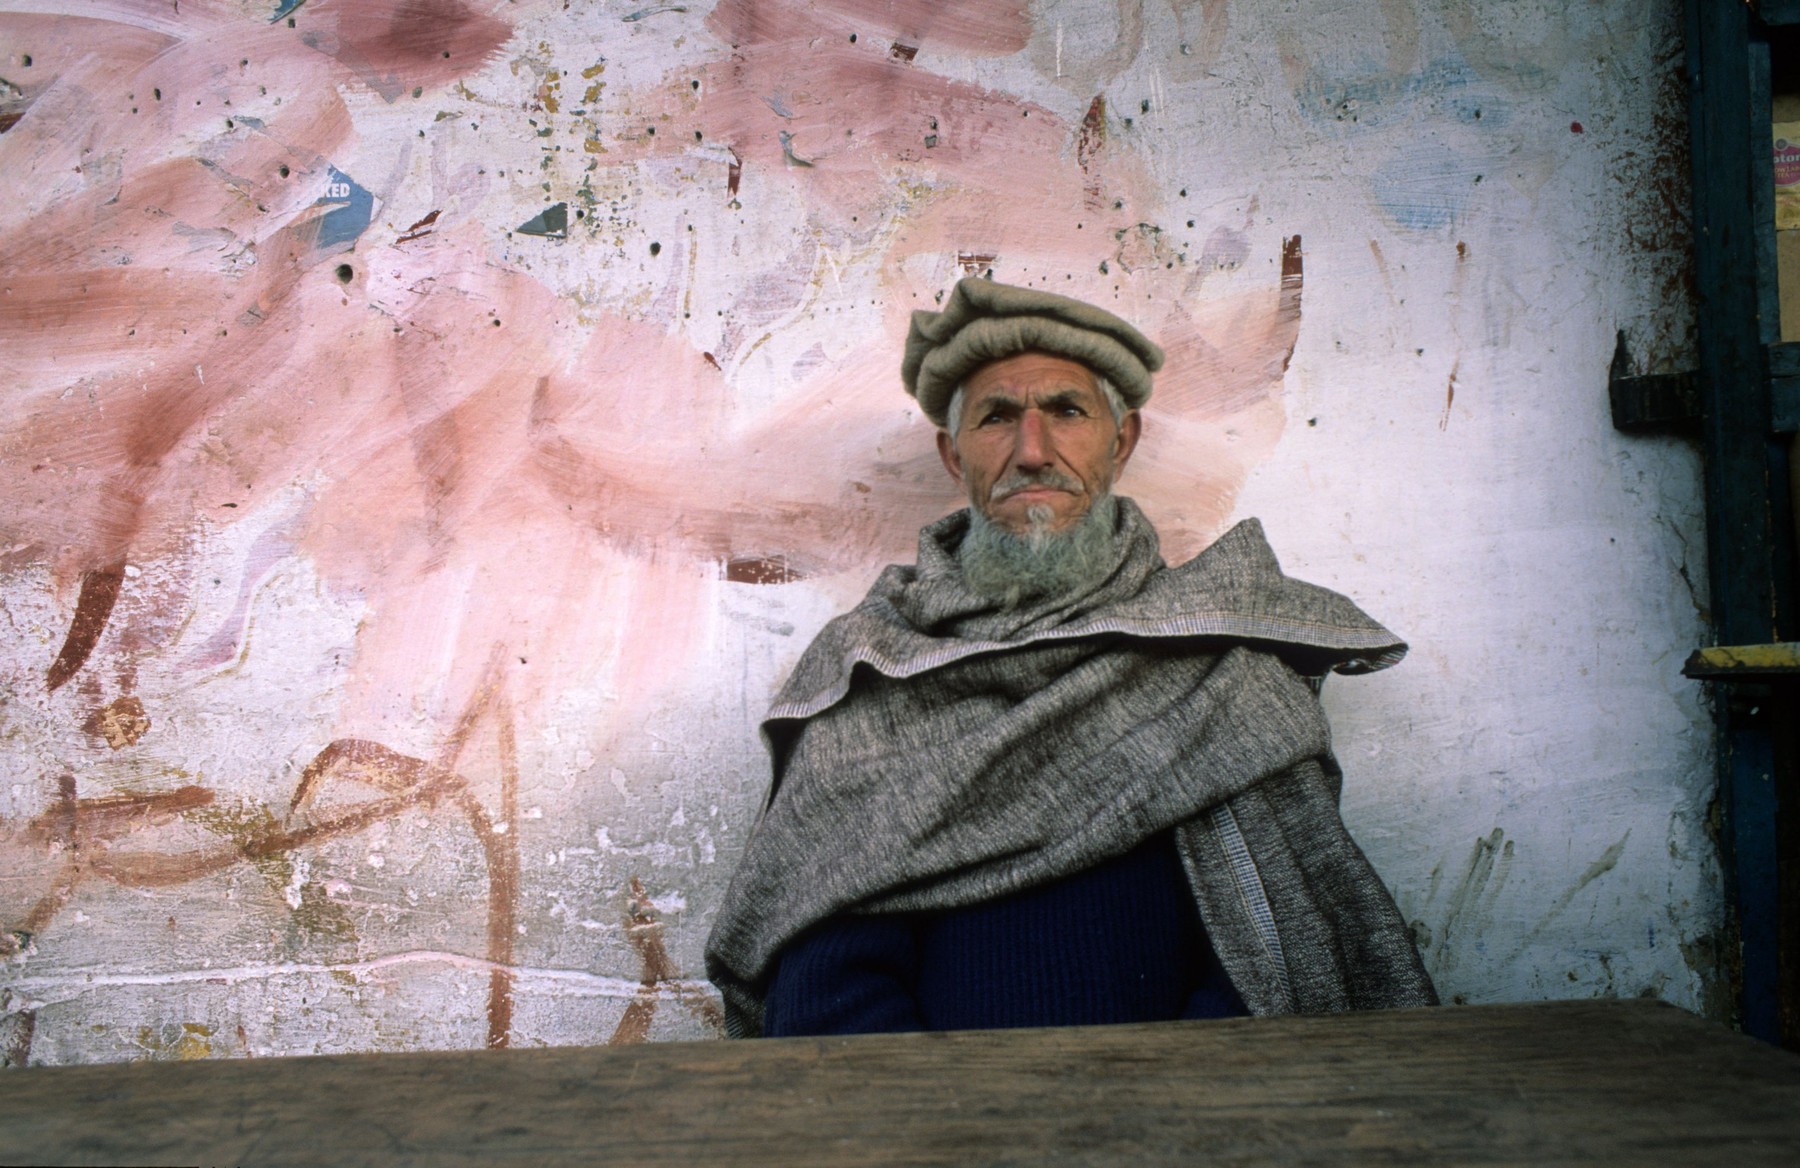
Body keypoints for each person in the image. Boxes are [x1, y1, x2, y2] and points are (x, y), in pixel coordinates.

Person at [705, 277, 1436, 1037]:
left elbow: (1281, 958)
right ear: (954, 455)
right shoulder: (870, 675)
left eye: (1067, 411)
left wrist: (1157, 1099)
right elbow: (826, 988)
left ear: (1120, 442)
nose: (1032, 451)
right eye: (996, 417)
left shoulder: (1223, 671)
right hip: (931, 1105)